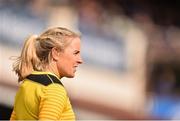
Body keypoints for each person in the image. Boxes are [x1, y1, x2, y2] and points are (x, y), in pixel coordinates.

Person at [10, 27, 83, 120]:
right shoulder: (54, 89)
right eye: (75, 53)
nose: (80, 60)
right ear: (56, 53)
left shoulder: (27, 82)